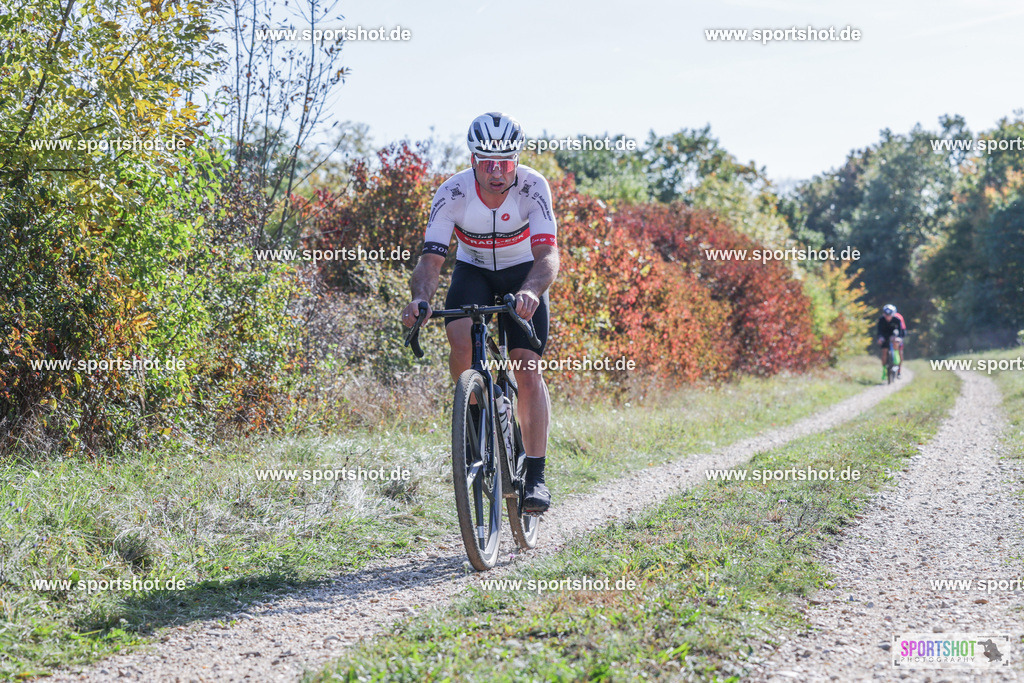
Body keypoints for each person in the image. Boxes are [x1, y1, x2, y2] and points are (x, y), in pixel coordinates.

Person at [401, 112, 559, 514]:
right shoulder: (451, 193)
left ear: (517, 160)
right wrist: (420, 299)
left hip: (522, 272)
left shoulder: (533, 187)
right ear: (472, 159)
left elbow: (548, 255)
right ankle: (475, 412)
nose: (496, 171)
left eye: (505, 162)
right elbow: (431, 261)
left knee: (526, 367)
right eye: (486, 161)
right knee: (459, 338)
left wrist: (530, 291)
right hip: (473, 270)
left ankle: (536, 476)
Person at [876, 304, 906, 379]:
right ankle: (884, 371)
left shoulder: (897, 319)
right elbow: (879, 331)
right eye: (886, 315)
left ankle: (897, 361)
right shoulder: (881, 320)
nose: (888, 317)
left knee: (897, 346)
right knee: (884, 352)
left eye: (889, 315)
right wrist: (880, 338)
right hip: (885, 337)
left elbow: (901, 331)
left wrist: (899, 338)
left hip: (894, 336)